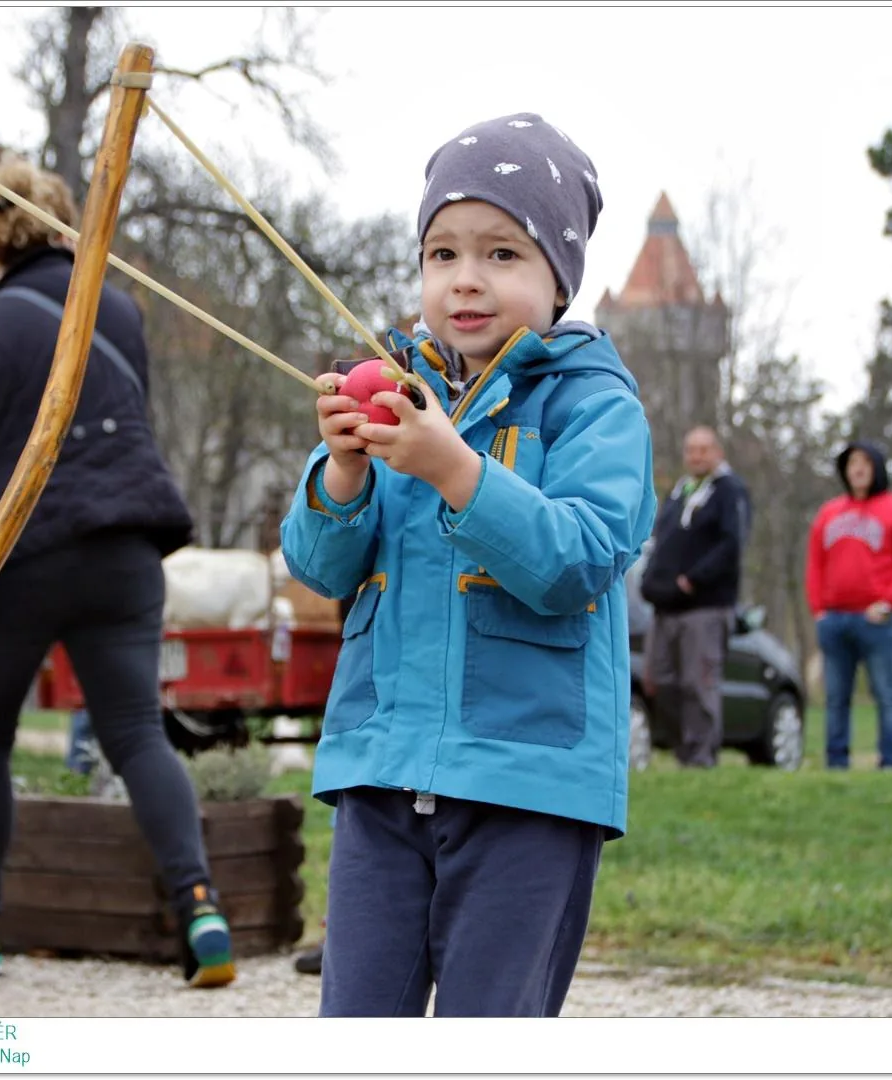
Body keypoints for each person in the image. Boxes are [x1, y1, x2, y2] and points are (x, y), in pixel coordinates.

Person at [280, 113, 656, 1017]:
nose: (465, 280)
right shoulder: (396, 390)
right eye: (441, 254)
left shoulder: (594, 408)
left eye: (501, 254)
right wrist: (342, 471)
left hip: (527, 783)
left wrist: (454, 468)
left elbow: (577, 561)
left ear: (559, 278)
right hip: (380, 770)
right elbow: (321, 569)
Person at [0, 156, 235, 987]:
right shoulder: (117, 308)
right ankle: (199, 905)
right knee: (132, 730)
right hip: (124, 545)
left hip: (17, 552)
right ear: (60, 225)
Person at [806, 441, 892, 770]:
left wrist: (887, 603)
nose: (858, 469)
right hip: (834, 619)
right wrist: (819, 609)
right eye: (852, 463)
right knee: (835, 699)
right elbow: (816, 564)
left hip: (877, 620)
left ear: (877, 469)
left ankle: (888, 764)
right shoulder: (830, 513)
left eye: (865, 463)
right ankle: (836, 764)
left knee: (886, 695)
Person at [638, 426, 752, 767]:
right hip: (665, 606)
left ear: (718, 452)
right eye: (691, 450)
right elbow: (660, 541)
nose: (697, 456)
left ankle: (701, 758)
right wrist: (651, 577)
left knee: (698, 684)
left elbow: (731, 545)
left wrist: (693, 580)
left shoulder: (729, 491)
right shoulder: (680, 492)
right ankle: (682, 752)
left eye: (704, 450)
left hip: (704, 605)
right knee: (660, 681)